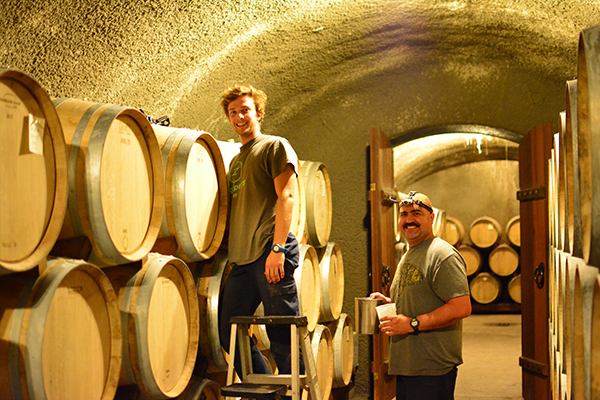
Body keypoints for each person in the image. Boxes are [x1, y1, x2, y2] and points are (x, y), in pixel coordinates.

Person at [218, 84, 302, 377]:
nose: (239, 116)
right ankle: (267, 391)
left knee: (282, 336)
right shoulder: (237, 160)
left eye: (245, 110)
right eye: (233, 112)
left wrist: (278, 249)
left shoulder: (274, 146)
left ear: (259, 113)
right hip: (243, 259)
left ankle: (297, 395)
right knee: (227, 329)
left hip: (270, 250)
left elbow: (287, 196)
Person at [370, 191, 471, 400]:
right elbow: (422, 296)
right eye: (404, 214)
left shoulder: (442, 255)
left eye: (416, 213)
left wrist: (412, 323)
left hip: (432, 368)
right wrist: (389, 303)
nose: (409, 220)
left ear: (431, 217)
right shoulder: (411, 252)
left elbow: (461, 307)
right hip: (408, 365)